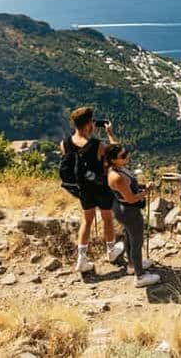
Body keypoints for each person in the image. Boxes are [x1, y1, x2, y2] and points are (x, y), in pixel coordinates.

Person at [60, 107, 124, 273]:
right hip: (101, 187)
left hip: (82, 188)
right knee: (107, 218)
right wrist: (110, 132)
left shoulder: (65, 144)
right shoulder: (97, 145)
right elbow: (117, 153)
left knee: (87, 220)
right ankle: (111, 251)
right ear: (89, 124)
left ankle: (82, 258)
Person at [105, 144, 161, 287]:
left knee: (128, 236)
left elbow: (129, 187)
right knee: (137, 241)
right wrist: (146, 192)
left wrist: (141, 186)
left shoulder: (117, 169)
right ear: (113, 160)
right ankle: (140, 275)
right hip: (129, 210)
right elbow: (130, 198)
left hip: (121, 208)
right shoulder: (117, 177)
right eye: (123, 156)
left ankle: (132, 265)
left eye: (126, 153)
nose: (127, 157)